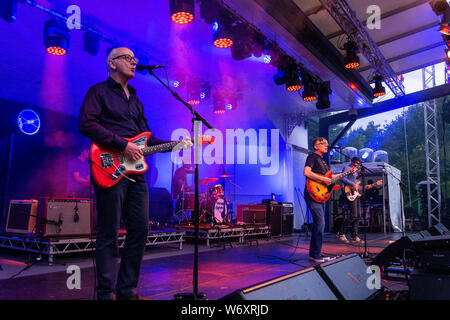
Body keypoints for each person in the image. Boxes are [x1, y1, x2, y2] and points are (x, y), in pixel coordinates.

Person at [79, 47, 192, 300]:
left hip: (137, 175)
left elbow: (147, 140)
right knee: (108, 231)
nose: (134, 62)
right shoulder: (98, 92)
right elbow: (86, 124)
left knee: (140, 229)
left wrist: (177, 144)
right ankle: (105, 292)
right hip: (110, 168)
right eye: (128, 58)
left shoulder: (137, 101)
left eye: (135, 59)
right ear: (112, 64)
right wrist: (123, 145)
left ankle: (127, 288)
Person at [303, 137, 339, 263]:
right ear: (316, 146)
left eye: (326, 144)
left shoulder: (323, 162)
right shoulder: (312, 157)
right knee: (320, 223)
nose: (325, 145)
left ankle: (315, 253)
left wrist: (347, 173)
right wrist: (323, 180)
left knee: (320, 223)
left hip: (320, 195)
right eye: (322, 143)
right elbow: (306, 172)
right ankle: (315, 255)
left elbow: (330, 178)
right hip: (312, 193)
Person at [337, 156, 365, 244]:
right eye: (357, 163)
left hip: (355, 193)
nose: (358, 165)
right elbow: (342, 178)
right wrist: (353, 184)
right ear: (353, 162)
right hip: (349, 192)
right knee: (353, 215)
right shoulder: (347, 168)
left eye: (359, 163)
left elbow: (355, 182)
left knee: (358, 215)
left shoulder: (356, 171)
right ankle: (340, 232)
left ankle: (354, 236)